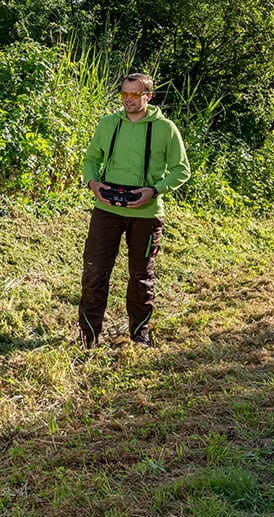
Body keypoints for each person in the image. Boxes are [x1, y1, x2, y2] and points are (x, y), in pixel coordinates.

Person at [78, 73, 190, 347]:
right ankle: (88, 337)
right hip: (106, 210)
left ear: (148, 96)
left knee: (141, 278)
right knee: (94, 273)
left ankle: (140, 335)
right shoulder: (107, 124)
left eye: (134, 94)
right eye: (124, 94)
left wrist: (153, 190)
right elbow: (91, 159)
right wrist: (93, 184)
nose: (128, 100)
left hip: (147, 214)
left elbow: (181, 170)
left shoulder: (166, 128)